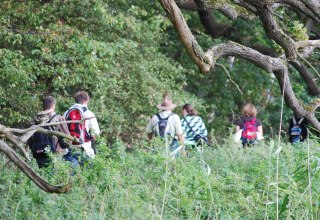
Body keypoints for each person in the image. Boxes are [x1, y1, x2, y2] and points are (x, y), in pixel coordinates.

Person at [28, 96, 70, 168]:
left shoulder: (35, 119)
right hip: (55, 153)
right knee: (55, 177)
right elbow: (67, 138)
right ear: (53, 106)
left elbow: (29, 137)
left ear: (43, 106)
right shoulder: (58, 118)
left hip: (38, 154)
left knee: (43, 175)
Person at [64, 91, 100, 166]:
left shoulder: (66, 113)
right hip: (85, 149)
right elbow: (95, 134)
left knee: (71, 174)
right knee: (88, 174)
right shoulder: (89, 114)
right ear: (87, 101)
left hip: (69, 149)